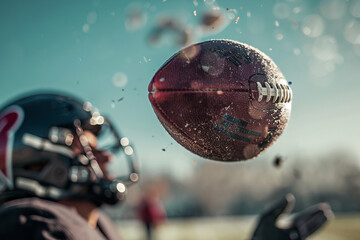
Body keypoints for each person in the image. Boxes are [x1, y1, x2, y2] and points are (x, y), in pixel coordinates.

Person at [0, 91, 332, 240]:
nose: (106, 158)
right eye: (86, 148)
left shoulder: (89, 221)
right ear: (37, 162)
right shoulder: (35, 226)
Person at [0, 92, 139, 239]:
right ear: (38, 165)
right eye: (89, 150)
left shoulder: (98, 223)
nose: (108, 158)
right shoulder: (38, 227)